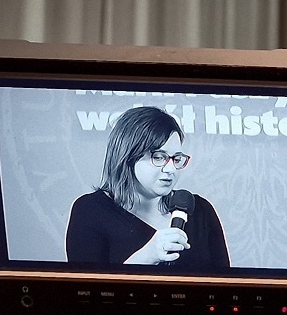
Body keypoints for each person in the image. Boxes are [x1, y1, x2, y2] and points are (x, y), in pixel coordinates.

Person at [65, 106, 230, 270]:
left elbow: (225, 281)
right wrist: (147, 256)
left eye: (176, 159)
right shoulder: (90, 210)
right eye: (158, 157)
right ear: (128, 156)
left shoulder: (200, 211)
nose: (170, 169)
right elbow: (86, 284)